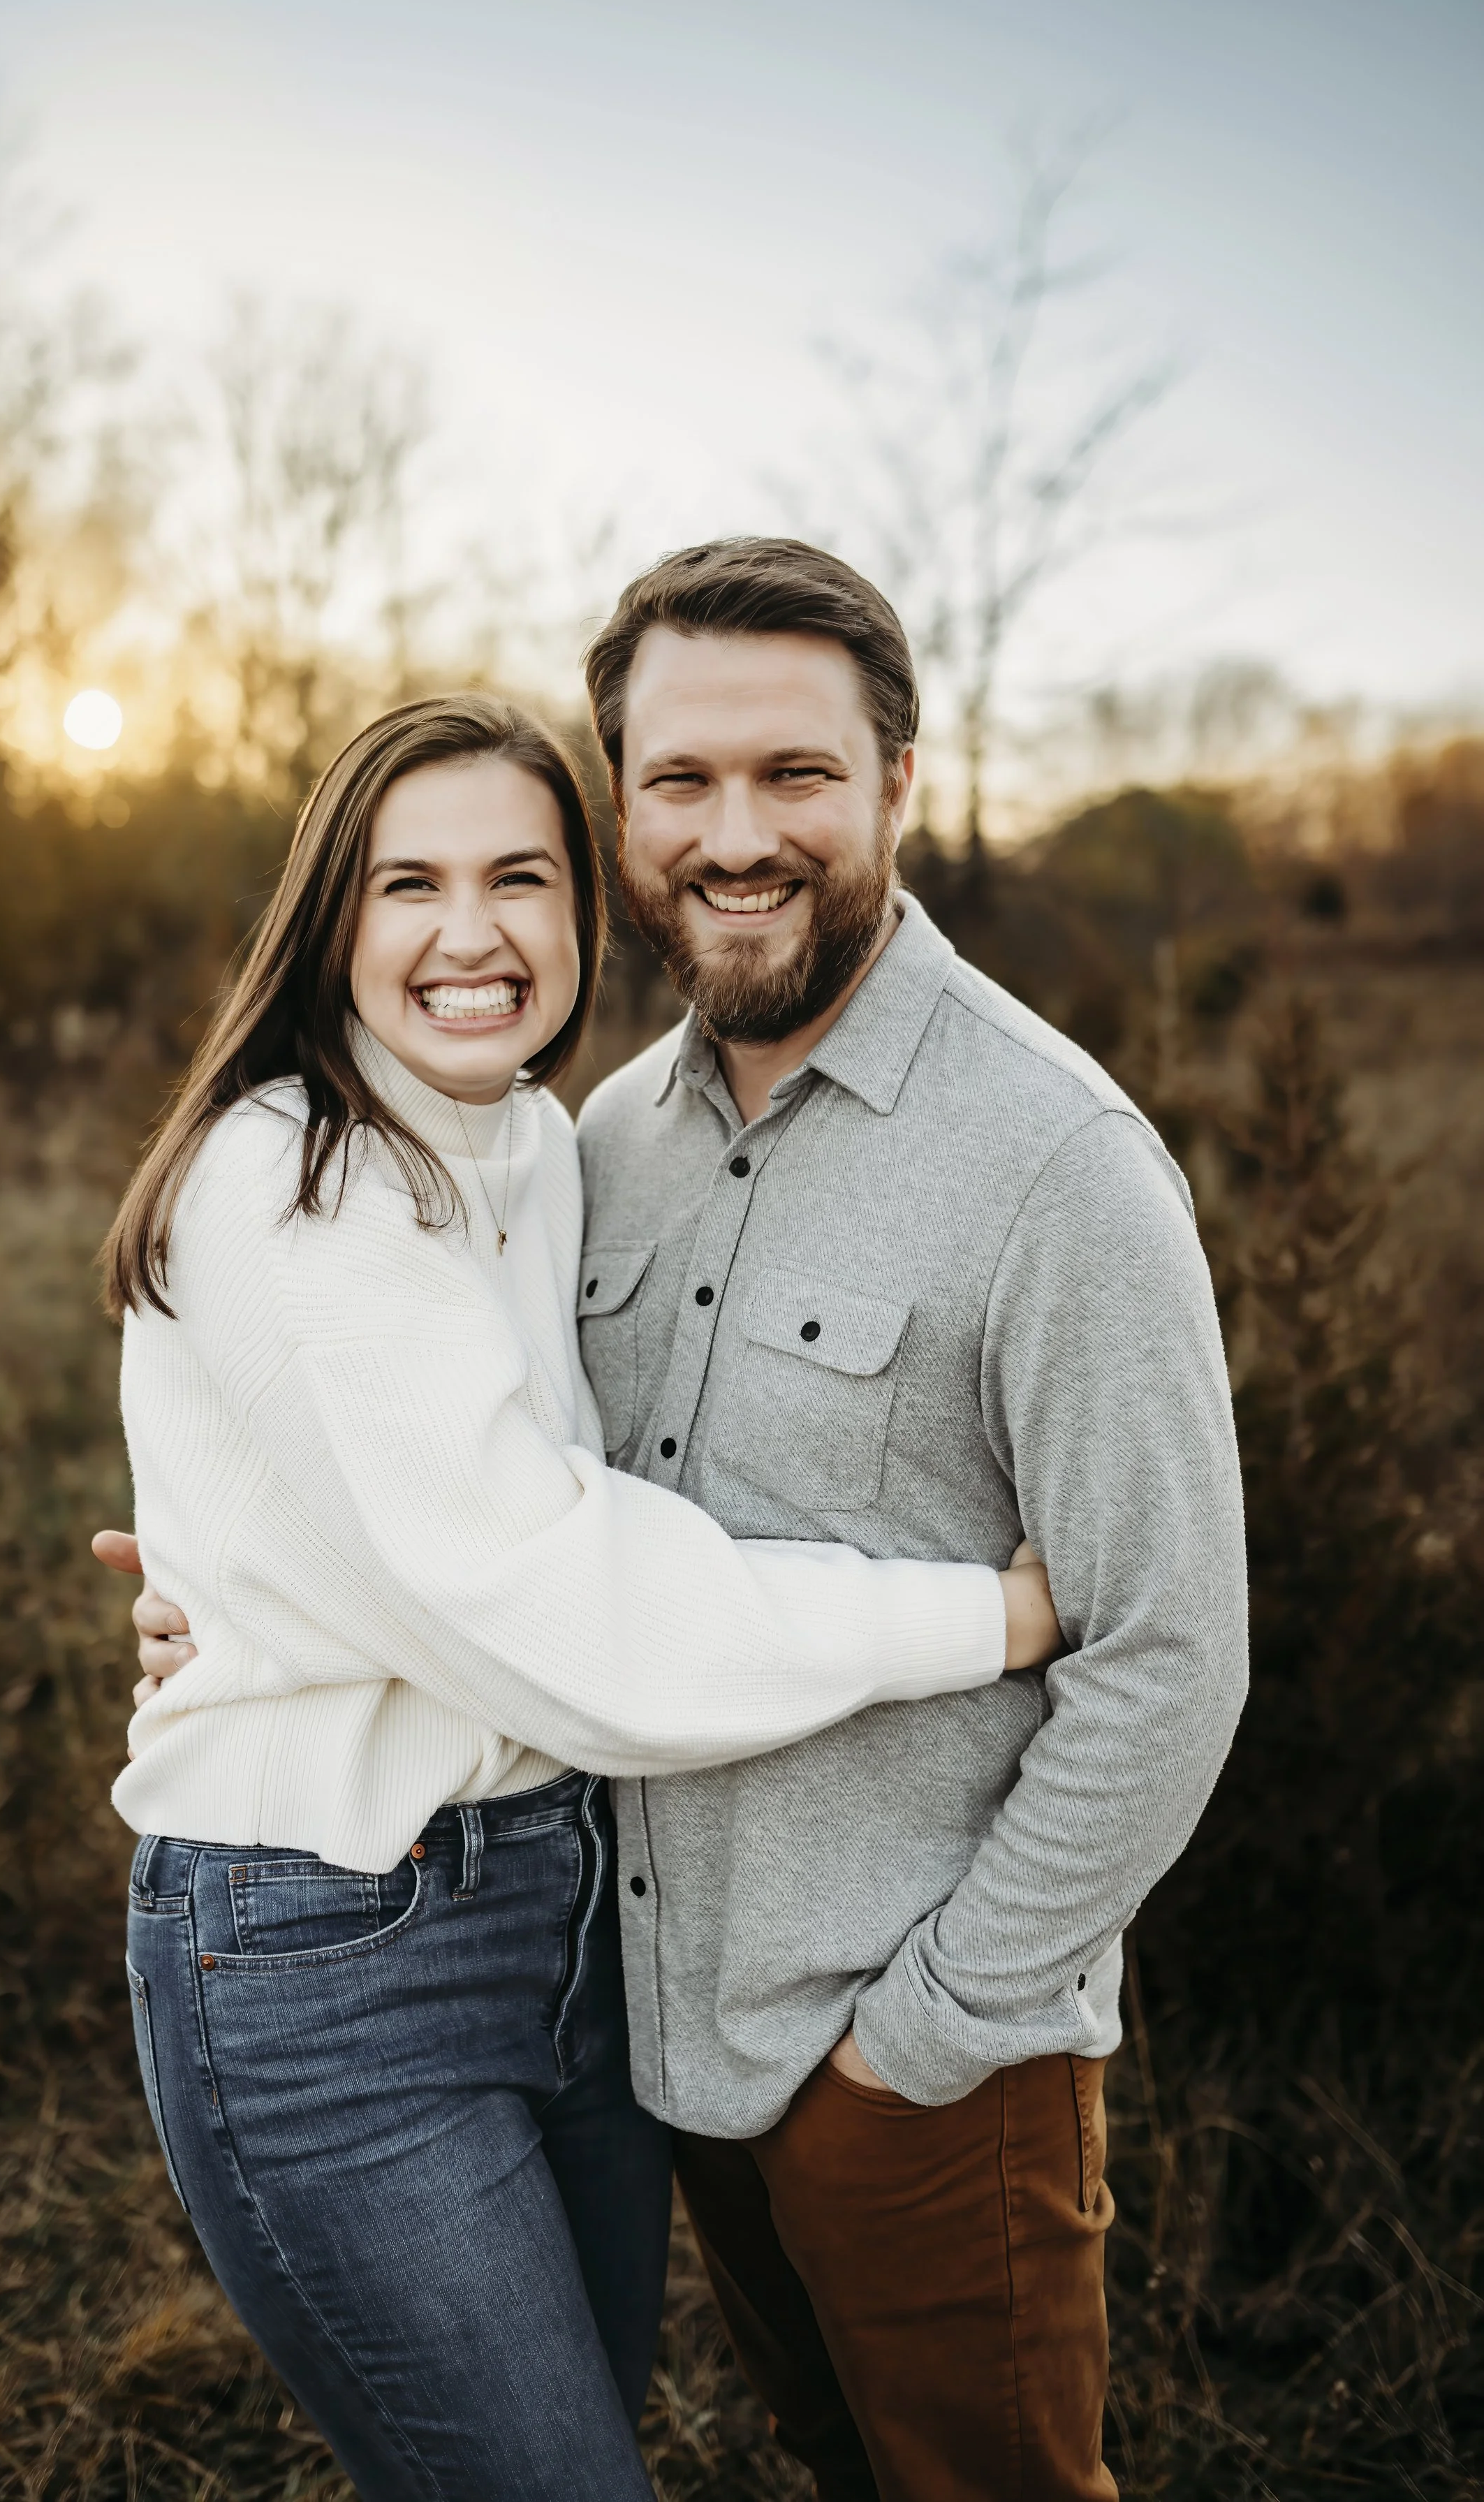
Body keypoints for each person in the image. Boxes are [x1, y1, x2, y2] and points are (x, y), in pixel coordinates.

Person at [98, 686, 1064, 2502]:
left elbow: (489, 1482)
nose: (470, 935)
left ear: (585, 905)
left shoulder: (539, 1150)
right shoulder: (287, 1179)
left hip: (561, 1911)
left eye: (518, 877)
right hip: (330, 1951)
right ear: (332, 915)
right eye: (407, 885)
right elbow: (567, 1600)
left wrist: (267, 1555)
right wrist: (986, 1616)